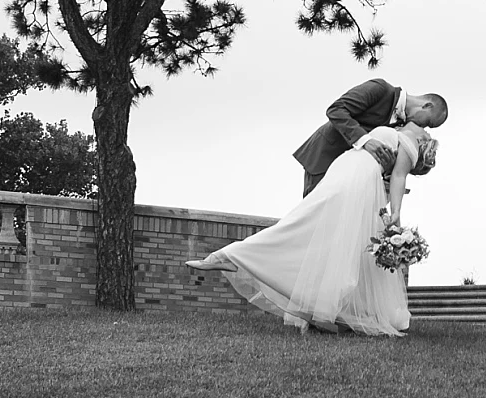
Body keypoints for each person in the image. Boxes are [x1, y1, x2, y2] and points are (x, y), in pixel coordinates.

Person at [185, 122, 438, 336]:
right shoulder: (409, 142)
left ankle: (238, 258)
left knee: (321, 234)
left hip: (345, 168)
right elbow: (399, 176)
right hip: (353, 177)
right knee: (314, 229)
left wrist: (391, 220)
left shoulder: (399, 135)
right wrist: (396, 216)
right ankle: (236, 255)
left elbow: (395, 175)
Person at [292, 78, 448, 196]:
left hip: (349, 175)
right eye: (428, 123)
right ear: (427, 106)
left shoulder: (402, 126)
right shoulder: (380, 88)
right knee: (313, 216)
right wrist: (366, 141)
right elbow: (336, 109)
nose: (423, 127)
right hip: (325, 158)